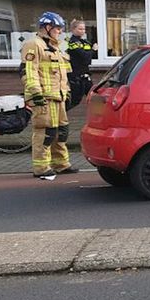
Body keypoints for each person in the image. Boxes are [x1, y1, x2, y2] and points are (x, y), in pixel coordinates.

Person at [21, 11, 76, 179]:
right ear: (47, 27)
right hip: (44, 97)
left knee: (62, 132)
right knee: (45, 132)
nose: (60, 31)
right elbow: (29, 71)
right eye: (57, 28)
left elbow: (62, 73)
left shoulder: (56, 47)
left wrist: (66, 91)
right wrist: (36, 93)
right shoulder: (34, 44)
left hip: (58, 97)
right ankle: (41, 167)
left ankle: (61, 164)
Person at [65, 19, 96, 110]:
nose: (82, 31)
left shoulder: (85, 42)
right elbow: (84, 56)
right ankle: (60, 115)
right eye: (80, 29)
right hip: (76, 76)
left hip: (85, 74)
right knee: (75, 100)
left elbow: (89, 56)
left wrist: (91, 52)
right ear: (73, 30)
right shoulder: (73, 42)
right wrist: (93, 50)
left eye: (84, 29)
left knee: (94, 98)